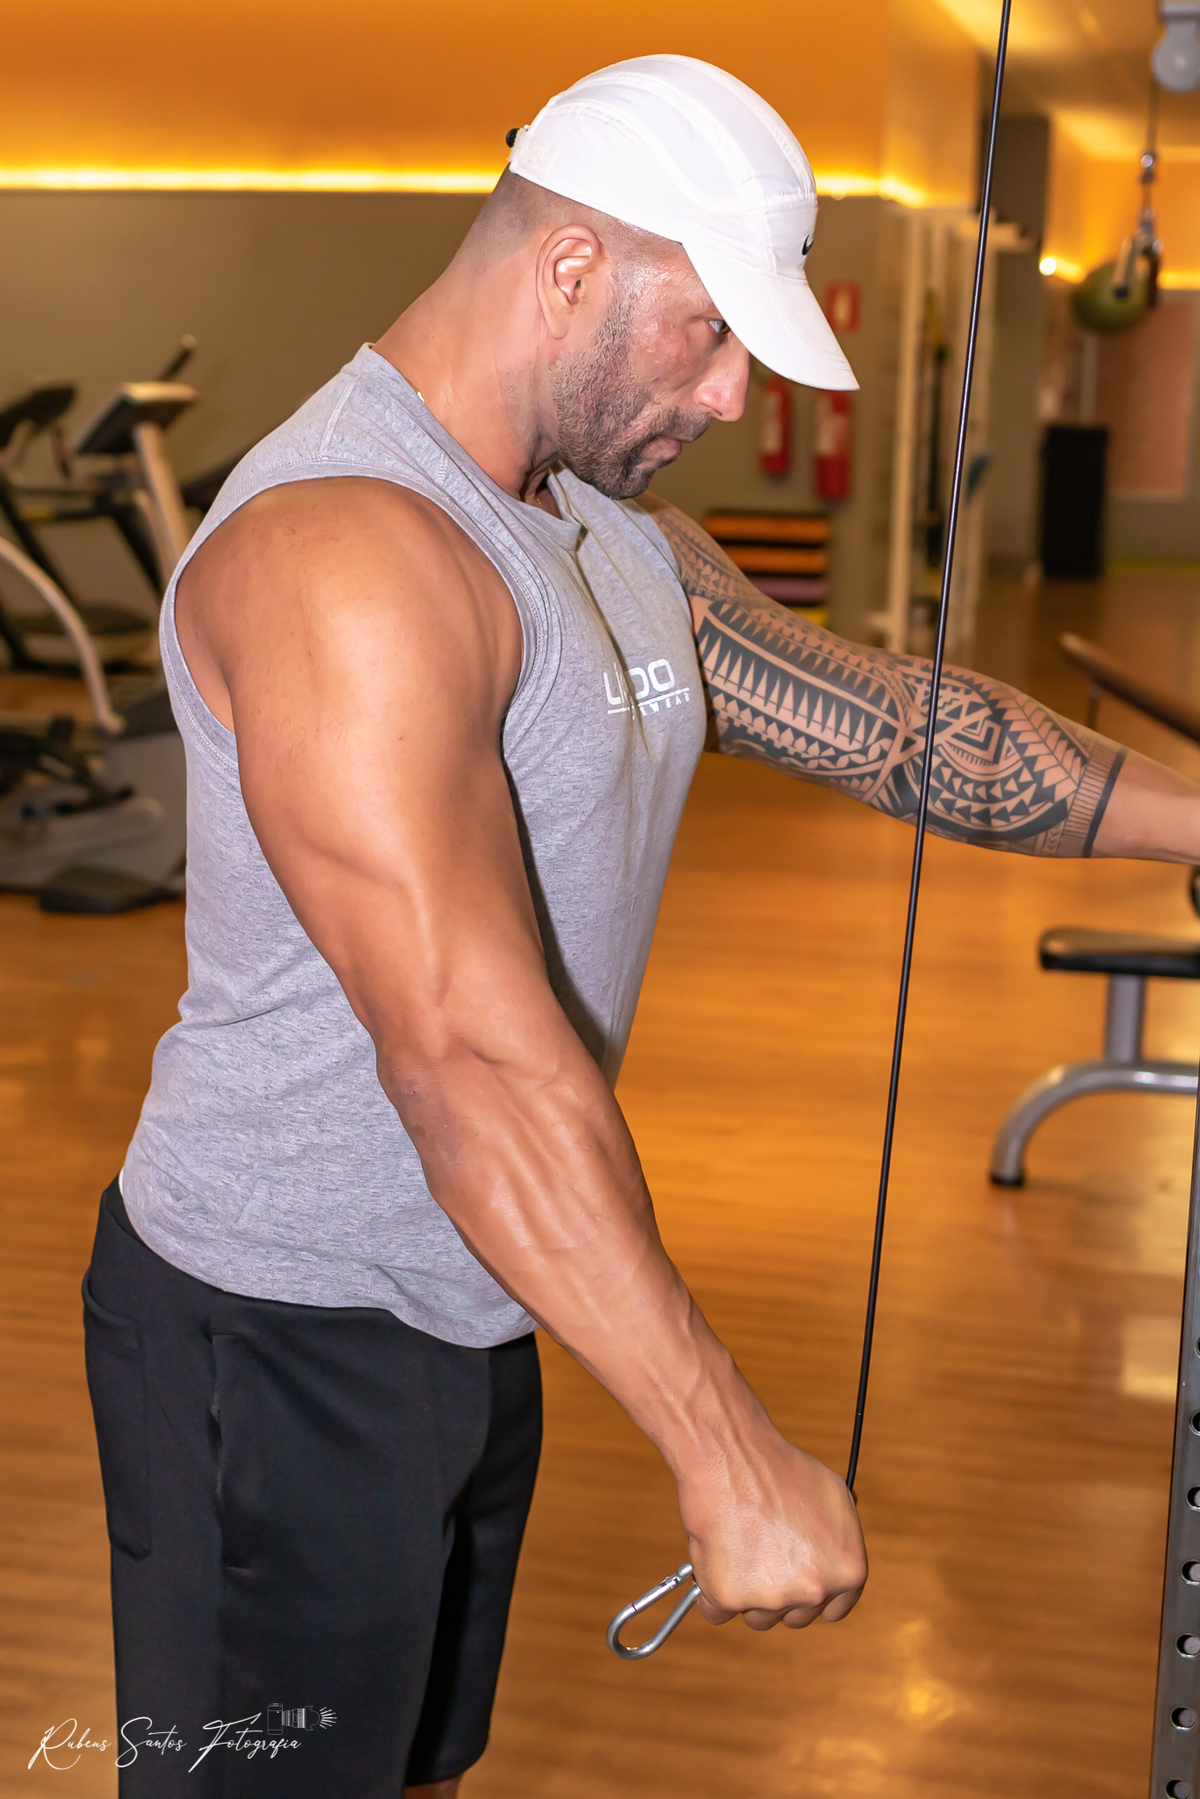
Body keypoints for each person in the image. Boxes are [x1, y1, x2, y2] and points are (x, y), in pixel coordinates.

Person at [82, 53, 1200, 1799]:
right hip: (278, 1329)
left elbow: (897, 727)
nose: (732, 394)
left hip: (484, 1283)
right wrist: (722, 1441)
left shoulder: (607, 534)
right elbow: (466, 1058)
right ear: (571, 266)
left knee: (417, 1767)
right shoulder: (348, 557)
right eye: (710, 335)